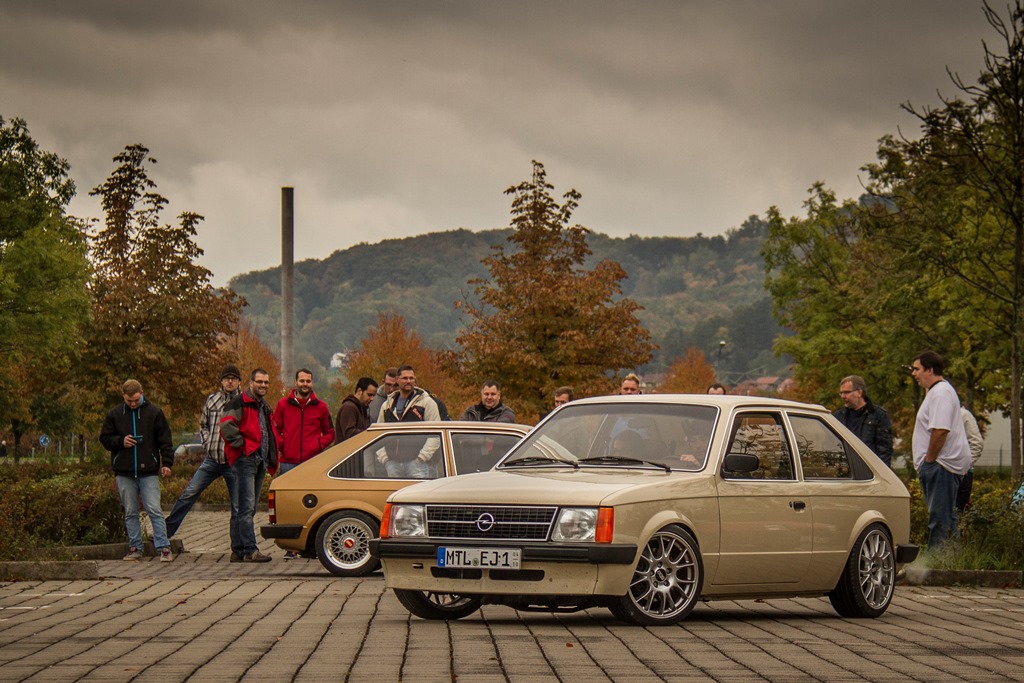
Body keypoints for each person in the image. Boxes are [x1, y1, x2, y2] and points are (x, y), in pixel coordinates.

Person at [165, 364, 242, 550]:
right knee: (189, 493)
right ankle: (164, 533)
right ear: (221, 381)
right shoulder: (212, 400)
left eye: (233, 378)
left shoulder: (244, 401)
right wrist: (207, 443)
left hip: (234, 460)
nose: (230, 381)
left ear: (239, 381)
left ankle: (238, 548)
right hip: (212, 458)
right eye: (226, 378)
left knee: (238, 506)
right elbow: (203, 425)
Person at [99, 379, 175, 562]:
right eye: (129, 401)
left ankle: (163, 547)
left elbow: (165, 440)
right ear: (123, 397)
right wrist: (120, 441)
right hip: (124, 471)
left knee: (154, 509)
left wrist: (166, 463)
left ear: (142, 393)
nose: (132, 404)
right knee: (130, 511)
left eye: (135, 400)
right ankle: (135, 547)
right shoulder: (114, 414)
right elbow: (105, 438)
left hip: (148, 470)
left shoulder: (155, 413)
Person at [910, 351, 973, 551]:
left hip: (941, 466)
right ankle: (953, 561)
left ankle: (936, 563)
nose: (914, 373)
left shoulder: (940, 393)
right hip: (940, 465)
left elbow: (940, 429)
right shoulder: (937, 393)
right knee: (947, 518)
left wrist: (929, 461)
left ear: (930, 370)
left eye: (917, 369)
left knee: (939, 519)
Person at [220, 368, 278, 562]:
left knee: (243, 508)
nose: (263, 385)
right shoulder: (238, 403)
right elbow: (227, 426)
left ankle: (238, 550)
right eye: (260, 382)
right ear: (251, 382)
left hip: (259, 461)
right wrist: (243, 447)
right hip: (246, 459)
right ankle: (250, 550)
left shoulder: (263, 406)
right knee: (246, 507)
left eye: (266, 382)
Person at [376, 364, 441, 478]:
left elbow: (436, 434)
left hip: (417, 464)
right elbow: (377, 434)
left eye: (411, 378)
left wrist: (422, 457)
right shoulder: (387, 406)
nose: (409, 381)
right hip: (393, 464)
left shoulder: (427, 403)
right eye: (405, 378)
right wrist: (385, 459)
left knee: (418, 496)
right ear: (397, 380)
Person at [274, 368, 335, 475]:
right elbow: (274, 429)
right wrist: (283, 446)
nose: (305, 384)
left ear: (312, 383)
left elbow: (330, 433)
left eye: (308, 381)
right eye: (302, 381)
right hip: (288, 463)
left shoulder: (321, 407)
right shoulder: (283, 405)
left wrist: (318, 445)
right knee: (288, 492)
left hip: (313, 461)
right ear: (295, 382)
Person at [833, 375, 894, 467]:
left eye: (846, 392)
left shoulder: (878, 415)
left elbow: (884, 450)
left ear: (859, 392)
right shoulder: (838, 416)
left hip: (869, 471)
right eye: (841, 393)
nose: (842, 396)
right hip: (845, 471)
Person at [956, 406, 984, 512]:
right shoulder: (937, 416)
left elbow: (976, 443)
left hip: (962, 473)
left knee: (958, 511)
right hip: (943, 474)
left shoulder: (963, 415)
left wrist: (964, 466)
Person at [335, 377, 378, 443]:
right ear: (359, 391)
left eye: (373, 396)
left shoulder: (362, 409)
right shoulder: (349, 408)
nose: (372, 398)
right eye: (369, 395)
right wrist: (369, 434)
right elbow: (349, 434)